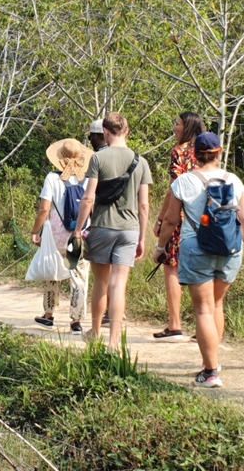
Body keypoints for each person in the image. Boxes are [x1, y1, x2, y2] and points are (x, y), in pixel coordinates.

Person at [155, 133, 244, 388]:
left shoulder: (184, 181)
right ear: (219, 154)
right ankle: (214, 363)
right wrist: (237, 247)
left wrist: (160, 246)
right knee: (217, 304)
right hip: (230, 251)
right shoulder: (234, 180)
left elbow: (171, 220)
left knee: (204, 309)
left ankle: (210, 372)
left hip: (196, 249)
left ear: (195, 154)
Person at [74, 112, 152, 350]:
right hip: (129, 230)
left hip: (102, 227)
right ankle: (115, 341)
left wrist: (78, 229)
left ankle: (95, 332)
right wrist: (142, 237)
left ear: (105, 132)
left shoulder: (98, 158)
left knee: (100, 282)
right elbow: (144, 205)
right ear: (127, 131)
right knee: (119, 285)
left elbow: (88, 198)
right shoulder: (141, 162)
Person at [29, 139, 94, 335]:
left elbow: (44, 209)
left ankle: (48, 315)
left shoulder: (52, 178)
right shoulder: (89, 178)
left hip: (57, 235)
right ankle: (76, 321)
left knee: (53, 273)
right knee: (79, 276)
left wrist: (35, 231)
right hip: (81, 233)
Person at [152, 112, 205, 341]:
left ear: (187, 127)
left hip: (181, 217)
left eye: (177, 124)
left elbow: (175, 189)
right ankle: (203, 327)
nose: (174, 128)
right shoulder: (207, 153)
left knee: (171, 266)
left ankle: (175, 324)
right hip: (205, 218)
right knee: (202, 271)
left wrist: (162, 218)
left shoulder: (180, 152)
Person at [84, 119, 111, 324]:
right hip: (125, 221)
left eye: (90, 137)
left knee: (101, 277)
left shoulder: (97, 158)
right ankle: (114, 311)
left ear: (96, 136)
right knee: (117, 276)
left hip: (101, 220)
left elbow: (90, 196)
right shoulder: (127, 157)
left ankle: (99, 322)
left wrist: (82, 225)